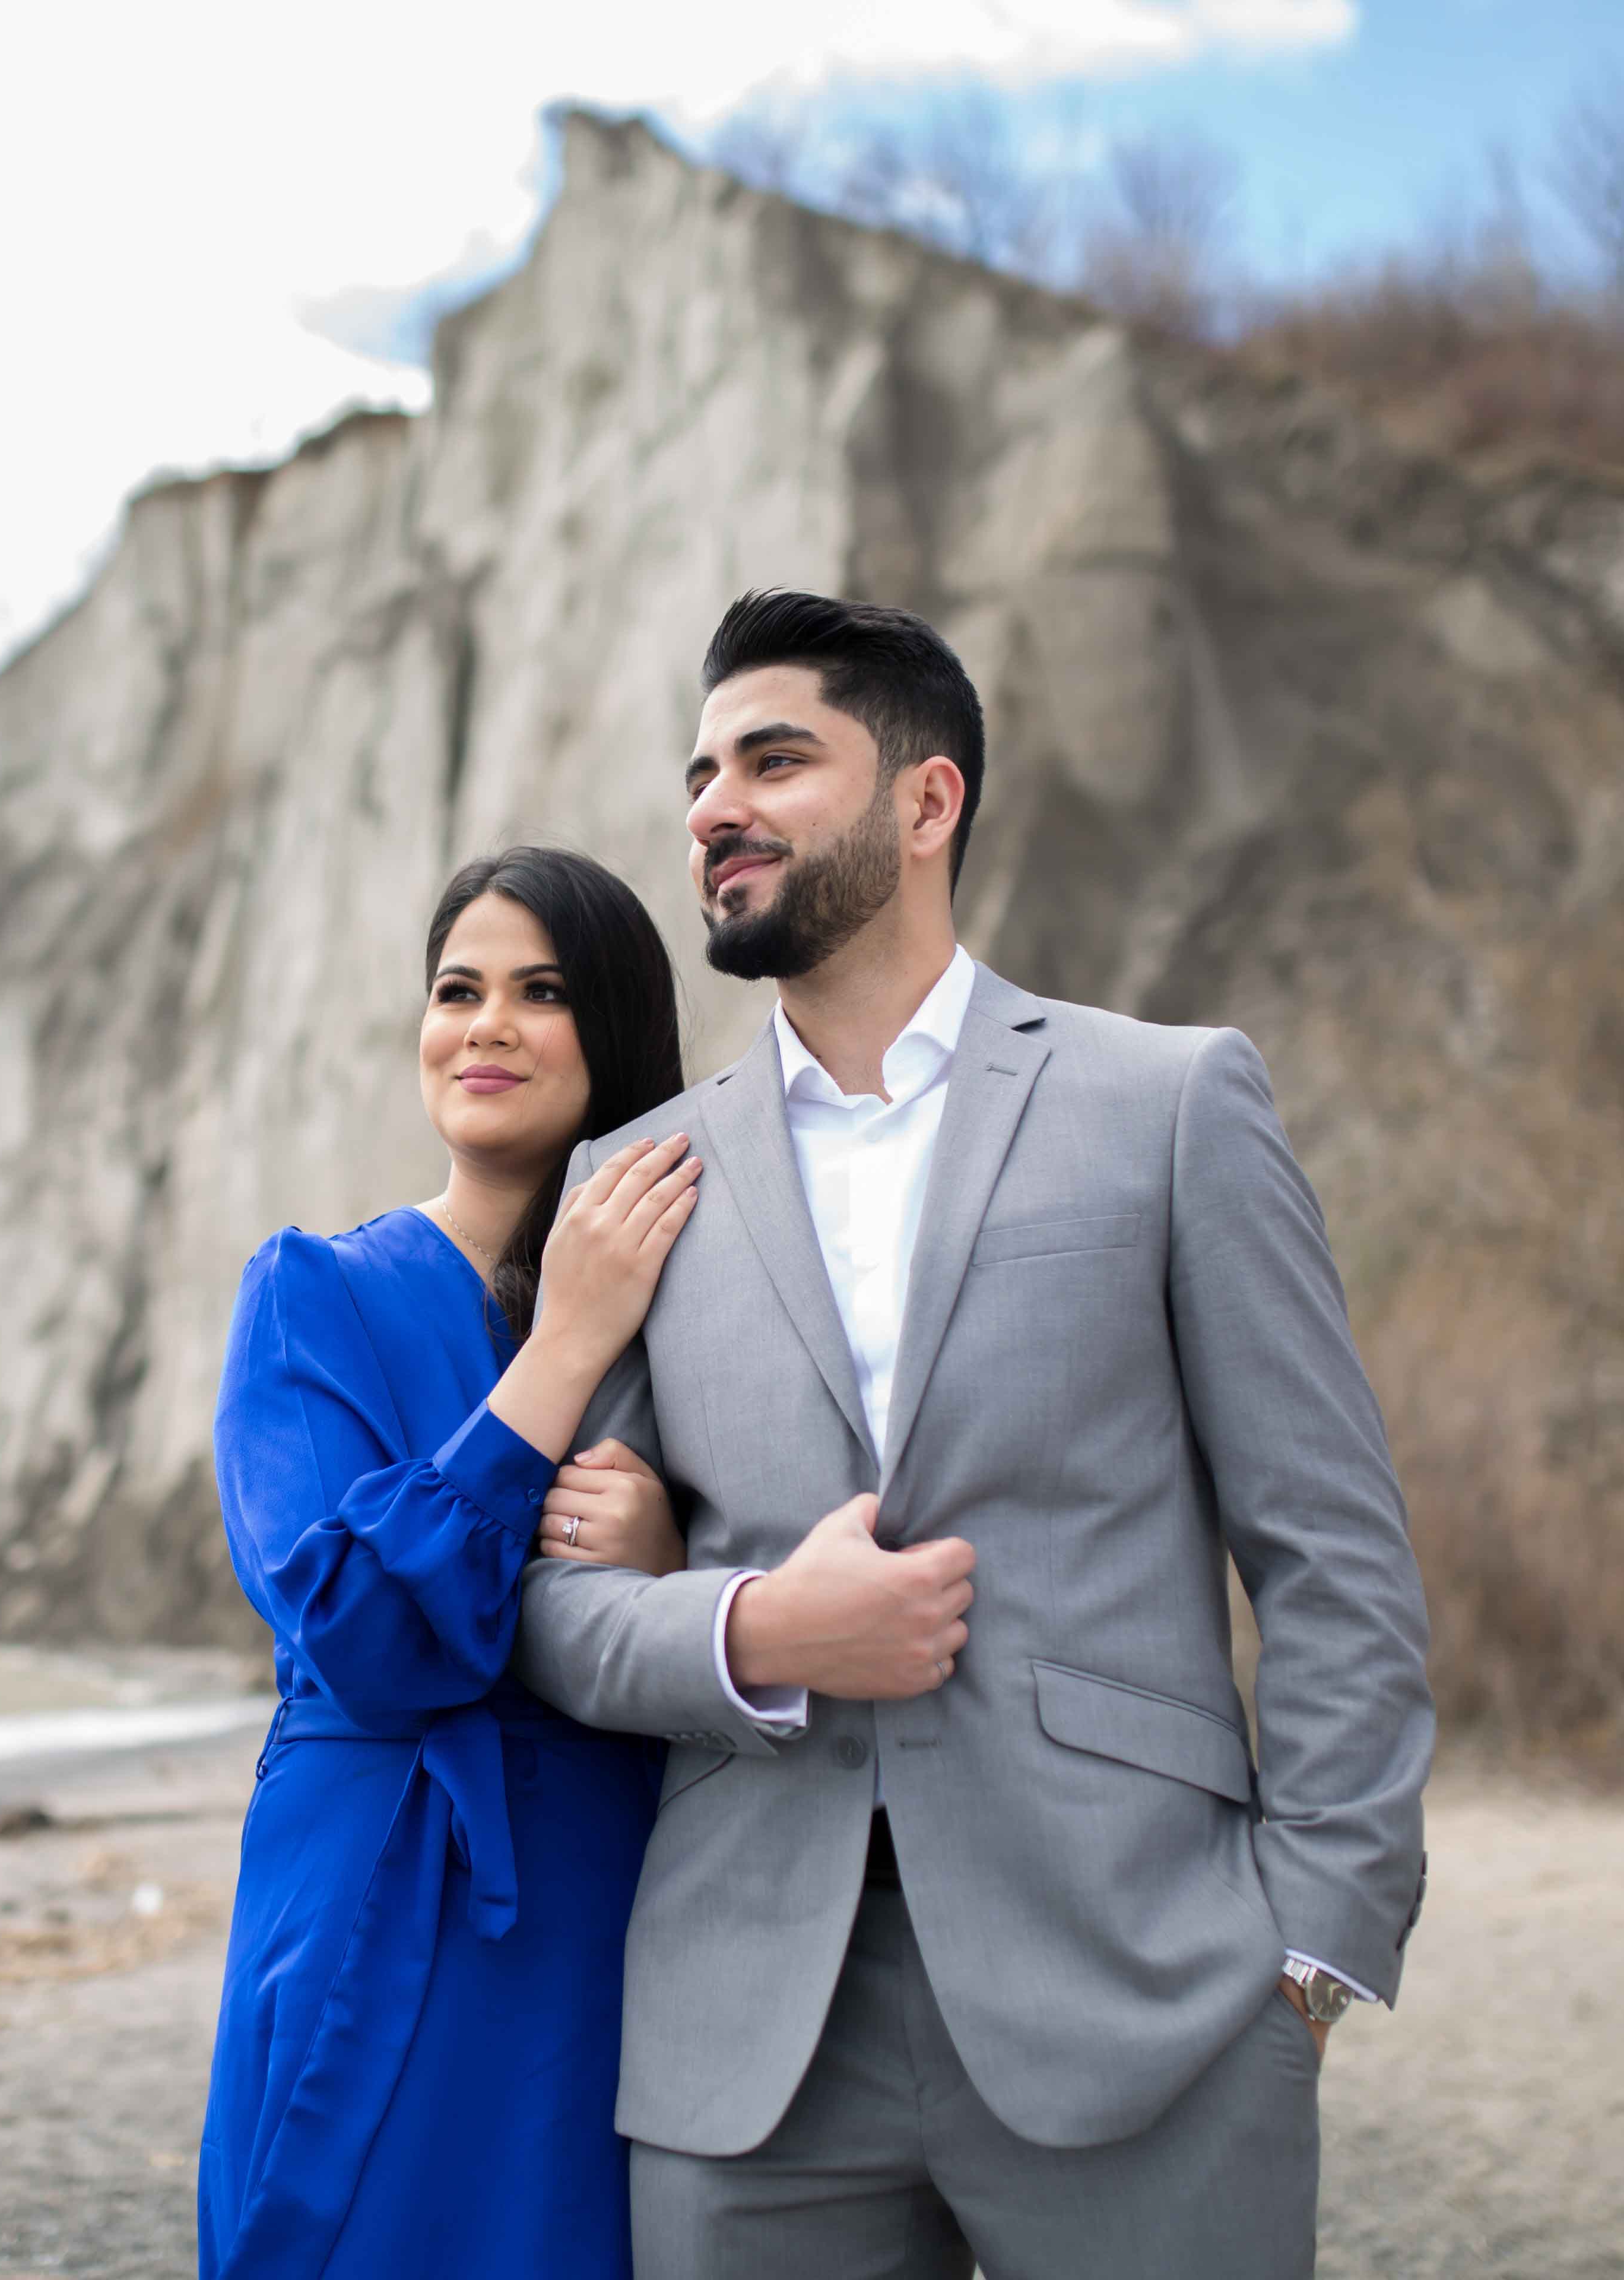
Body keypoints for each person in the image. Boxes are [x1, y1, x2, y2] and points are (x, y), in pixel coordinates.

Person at [513, 591, 1436, 2280]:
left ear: (927, 802)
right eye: (704, 767)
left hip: (1146, 1983)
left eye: (777, 758)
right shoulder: (634, 1182)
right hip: (751, 2036)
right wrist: (755, 1627)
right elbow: (556, 1611)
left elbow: (1332, 1552)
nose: (716, 803)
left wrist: (1317, 1943)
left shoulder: (1167, 1103)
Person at [197, 845, 709, 2280]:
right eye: (456, 988)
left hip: (610, 1898)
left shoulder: (706, 1302)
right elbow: (356, 1625)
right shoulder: (313, 1292)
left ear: (612, 1030)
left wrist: (671, 1562)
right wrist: (562, 1350)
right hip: (379, 1895)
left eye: (539, 992)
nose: (484, 1024)